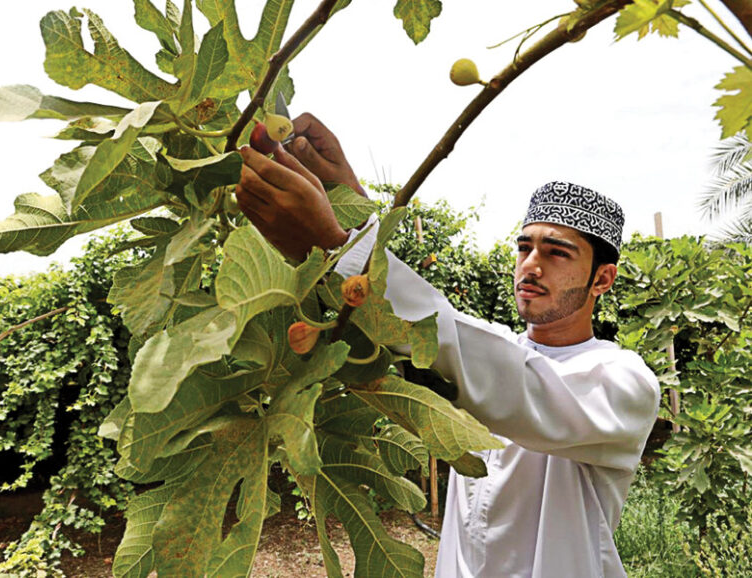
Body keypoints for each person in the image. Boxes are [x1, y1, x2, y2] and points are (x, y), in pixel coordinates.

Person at [235, 113, 661, 577]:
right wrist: (350, 207)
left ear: (603, 278)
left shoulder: (625, 383)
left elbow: (505, 383)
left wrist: (339, 244)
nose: (532, 265)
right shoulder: (491, 349)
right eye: (525, 248)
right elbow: (442, 335)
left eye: (557, 252)